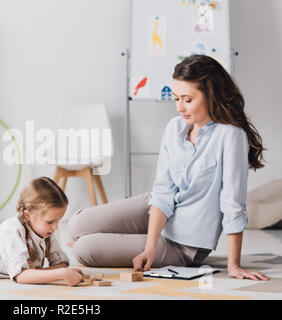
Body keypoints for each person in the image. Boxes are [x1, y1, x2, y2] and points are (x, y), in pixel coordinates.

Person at [68, 54, 269, 281]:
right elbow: (163, 190)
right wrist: (150, 246)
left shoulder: (230, 135)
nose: (180, 107)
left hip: (184, 243)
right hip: (156, 209)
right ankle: (122, 239)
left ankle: (102, 242)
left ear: (211, 95)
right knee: (76, 224)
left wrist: (234, 266)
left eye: (188, 99)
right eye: (176, 98)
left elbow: (233, 203)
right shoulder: (174, 128)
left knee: (83, 249)